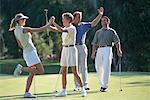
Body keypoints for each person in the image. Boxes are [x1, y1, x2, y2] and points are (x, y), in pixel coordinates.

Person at [9, 13, 52, 98]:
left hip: (26, 52)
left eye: (25, 19)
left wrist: (26, 45)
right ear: (18, 21)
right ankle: (21, 68)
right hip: (31, 52)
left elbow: (20, 45)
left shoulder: (15, 30)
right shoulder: (24, 29)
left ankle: (26, 92)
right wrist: (49, 24)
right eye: (23, 19)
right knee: (41, 71)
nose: (25, 20)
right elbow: (39, 29)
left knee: (32, 73)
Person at [49, 12, 86, 97]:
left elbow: (61, 30)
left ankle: (83, 88)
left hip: (72, 49)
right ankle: (64, 90)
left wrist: (53, 22)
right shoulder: (65, 27)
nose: (62, 21)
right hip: (64, 49)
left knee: (74, 71)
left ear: (69, 20)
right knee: (63, 71)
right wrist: (49, 25)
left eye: (63, 19)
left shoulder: (72, 28)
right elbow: (57, 29)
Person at [72, 7, 104, 91]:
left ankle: (85, 85)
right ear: (74, 18)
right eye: (78, 17)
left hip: (82, 47)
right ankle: (77, 86)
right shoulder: (70, 26)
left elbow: (93, 23)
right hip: (73, 47)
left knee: (84, 67)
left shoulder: (84, 25)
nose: (80, 18)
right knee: (76, 67)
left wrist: (100, 15)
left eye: (80, 17)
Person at [91, 16, 122, 92]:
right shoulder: (98, 32)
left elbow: (117, 42)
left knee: (106, 66)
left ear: (108, 22)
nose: (103, 22)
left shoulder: (112, 31)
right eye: (102, 21)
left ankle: (104, 86)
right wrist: (93, 52)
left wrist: (119, 50)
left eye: (104, 21)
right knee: (98, 66)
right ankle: (102, 84)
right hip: (99, 50)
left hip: (107, 49)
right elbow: (94, 43)